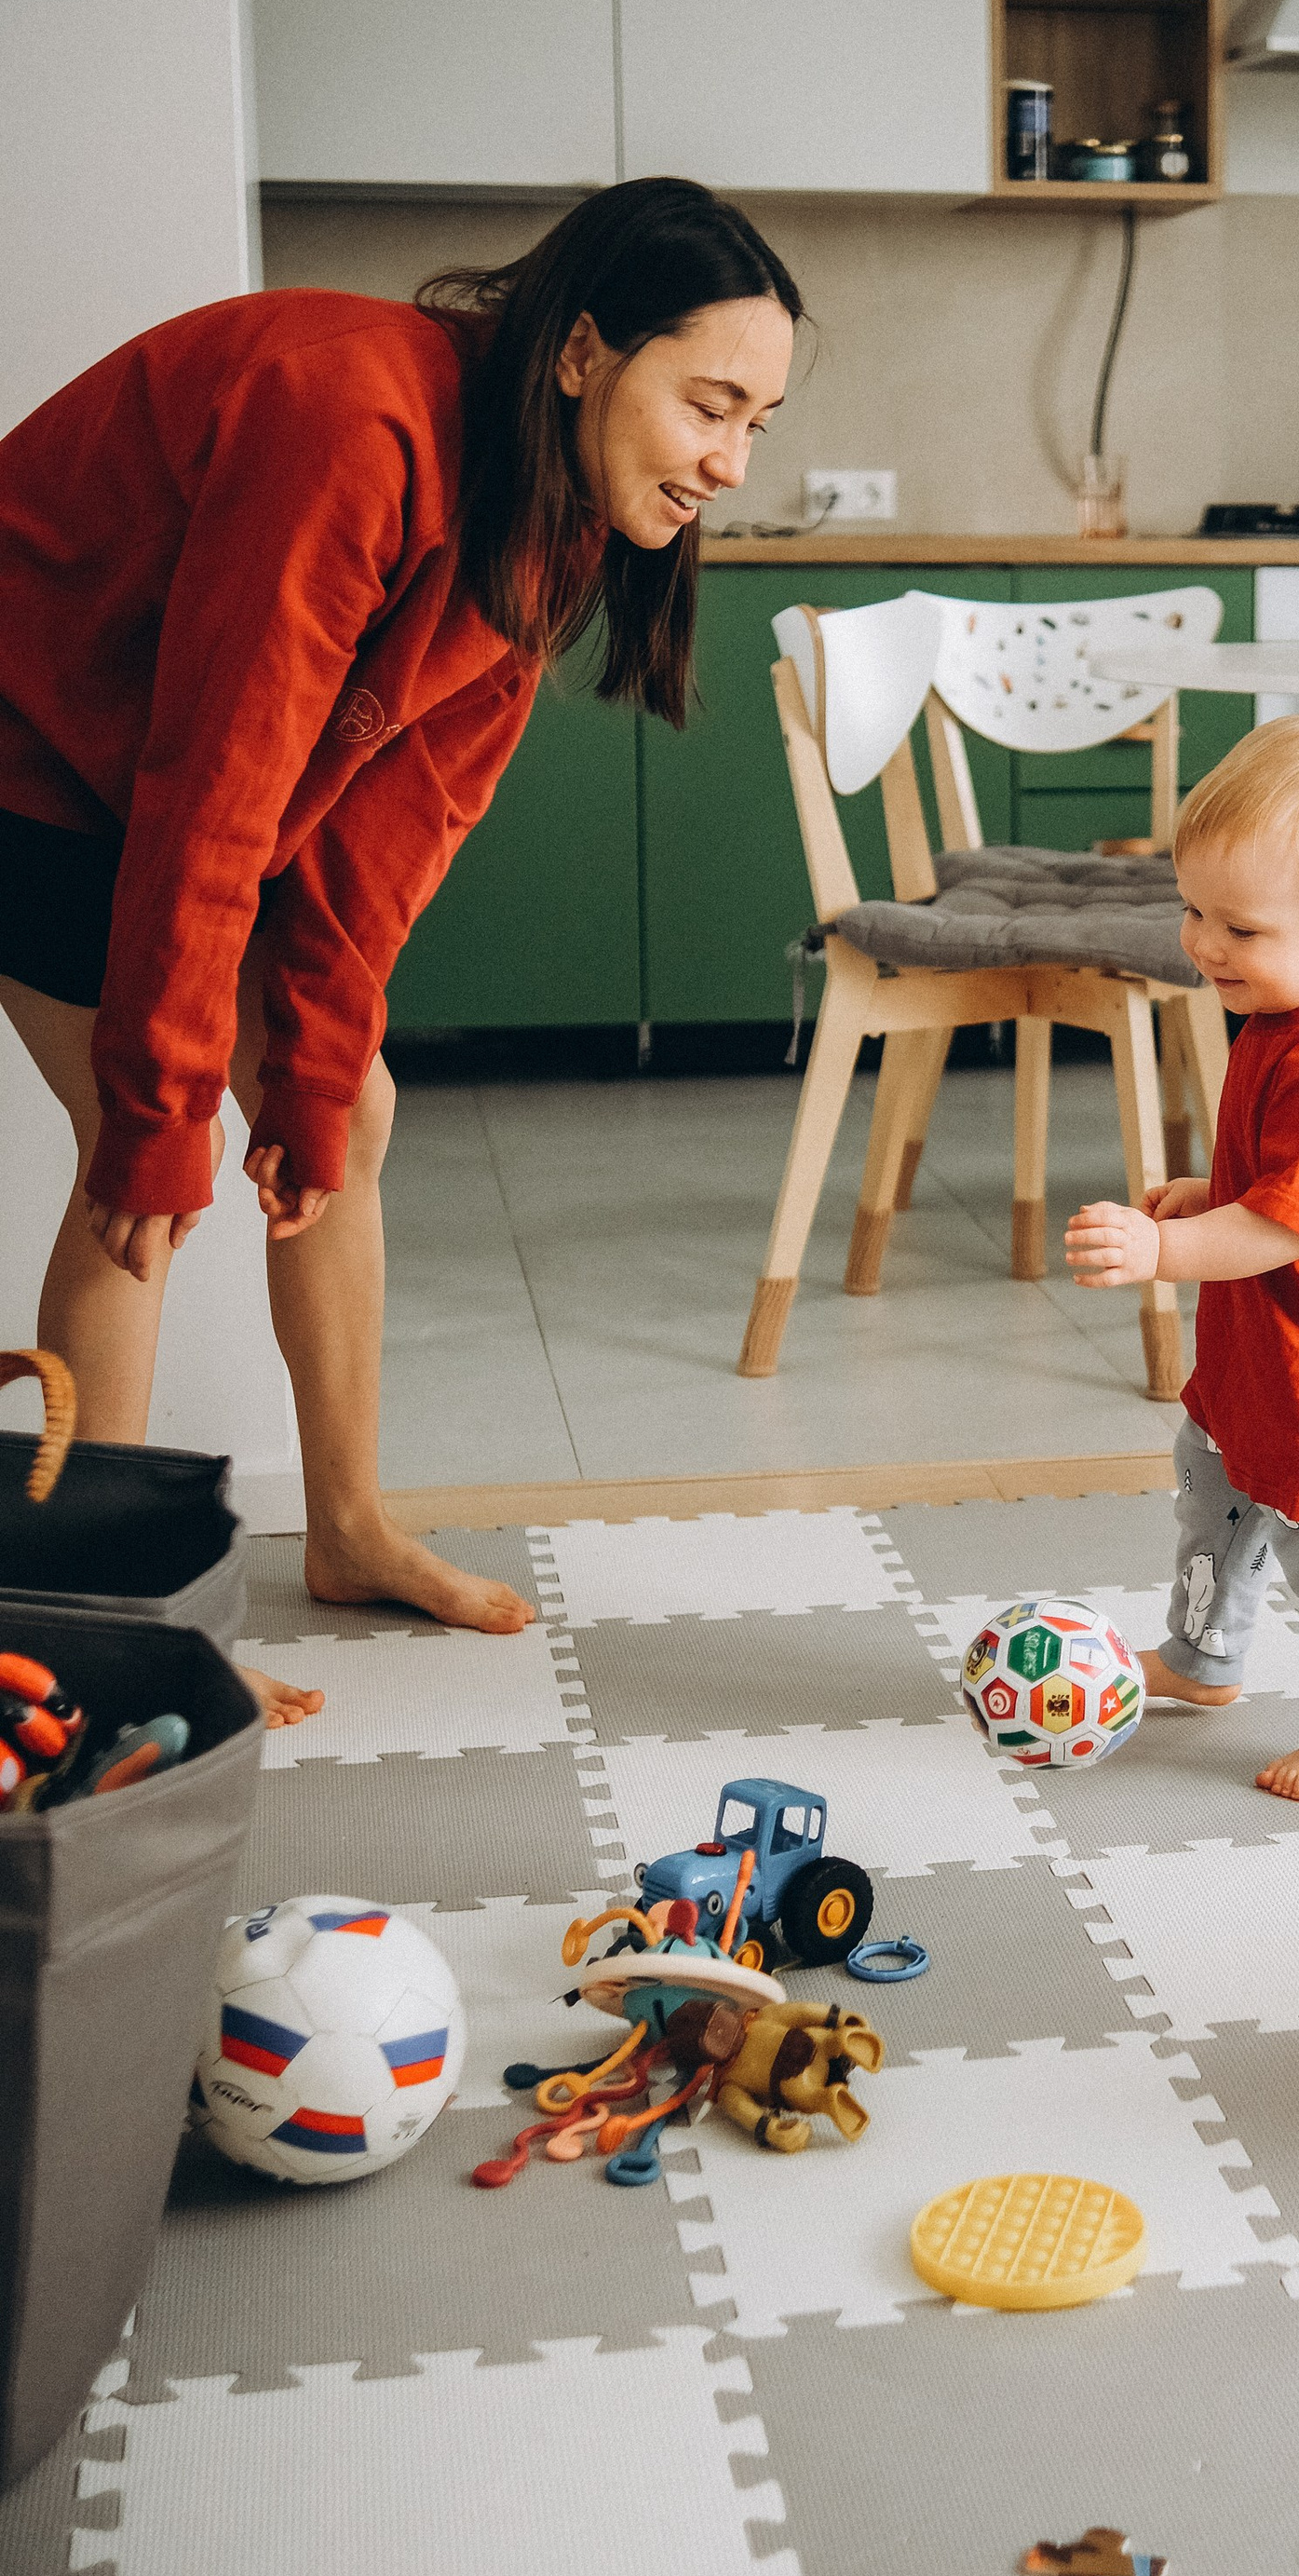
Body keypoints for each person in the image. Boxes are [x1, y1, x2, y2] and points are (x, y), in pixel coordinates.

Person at [0, 179, 802, 1715]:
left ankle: (353, 1529)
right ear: (582, 355)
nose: (730, 462)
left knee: (348, 1110)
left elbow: (391, 829)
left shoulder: (555, 513)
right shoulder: (350, 424)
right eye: (708, 405)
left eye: (757, 422)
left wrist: (304, 1074)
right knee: (131, 1145)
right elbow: (216, 786)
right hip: (25, 740)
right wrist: (175, 1110)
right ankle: (91, 1646)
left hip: (147, 764)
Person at [1064, 712, 1299, 1803]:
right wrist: (1209, 1195)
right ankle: (1201, 1659)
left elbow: (1289, 1226)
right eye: (1193, 911)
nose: (1204, 945)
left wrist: (1166, 1245)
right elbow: (1285, 1187)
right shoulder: (1285, 1006)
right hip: (1262, 1354)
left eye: (1239, 926)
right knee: (1215, 1494)